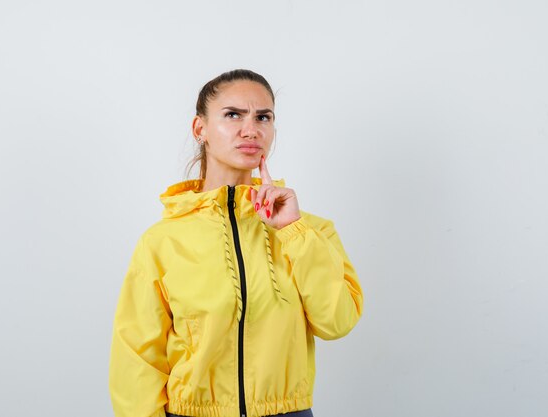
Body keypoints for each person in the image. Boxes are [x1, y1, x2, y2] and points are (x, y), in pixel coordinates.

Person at [108, 69, 364, 417]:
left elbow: (337, 322)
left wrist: (293, 231)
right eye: (233, 115)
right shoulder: (162, 242)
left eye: (263, 117)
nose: (251, 129)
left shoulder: (309, 231)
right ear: (201, 129)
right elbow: (137, 359)